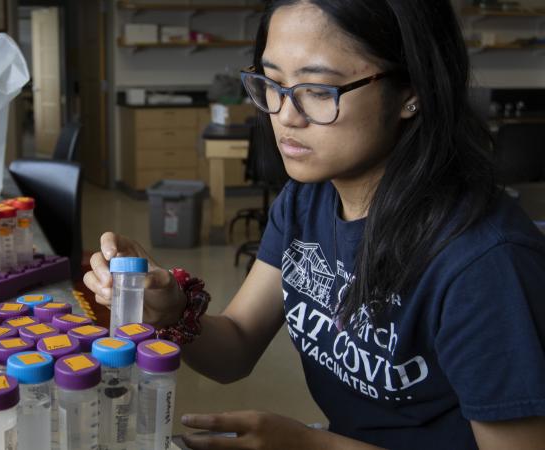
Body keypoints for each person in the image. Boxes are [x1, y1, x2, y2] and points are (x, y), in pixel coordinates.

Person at [83, 0, 545, 449]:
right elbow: (237, 348)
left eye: (318, 91)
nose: (284, 116)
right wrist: (171, 309)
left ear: (411, 93)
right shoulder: (307, 199)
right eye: (271, 82)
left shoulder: (484, 264)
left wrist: (311, 444)